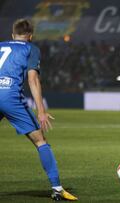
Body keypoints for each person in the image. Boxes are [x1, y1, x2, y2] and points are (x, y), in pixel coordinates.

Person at [0, 19, 78, 201]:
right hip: (10, 97)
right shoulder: (30, 48)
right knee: (40, 141)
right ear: (31, 36)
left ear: (13, 35)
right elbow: (33, 79)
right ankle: (57, 189)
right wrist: (41, 110)